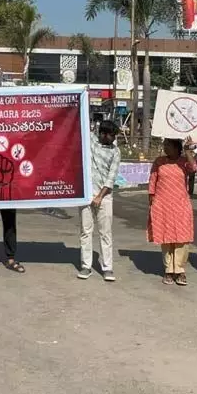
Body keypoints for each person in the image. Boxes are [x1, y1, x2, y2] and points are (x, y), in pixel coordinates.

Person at [148, 137, 197, 286]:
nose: (165, 148)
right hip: (162, 204)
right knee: (166, 238)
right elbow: (153, 180)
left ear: (177, 147)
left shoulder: (184, 161)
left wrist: (188, 151)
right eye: (164, 145)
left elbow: (193, 168)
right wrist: (151, 200)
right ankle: (169, 270)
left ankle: (180, 270)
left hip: (181, 204)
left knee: (182, 238)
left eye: (168, 145)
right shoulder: (159, 161)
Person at [79, 120, 121, 281]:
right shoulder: (91, 142)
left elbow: (111, 178)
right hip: (86, 195)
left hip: (104, 197)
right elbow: (80, 125)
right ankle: (86, 266)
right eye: (111, 135)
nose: (113, 139)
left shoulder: (115, 151)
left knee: (105, 233)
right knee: (85, 231)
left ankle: (107, 267)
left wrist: (99, 197)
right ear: (103, 134)